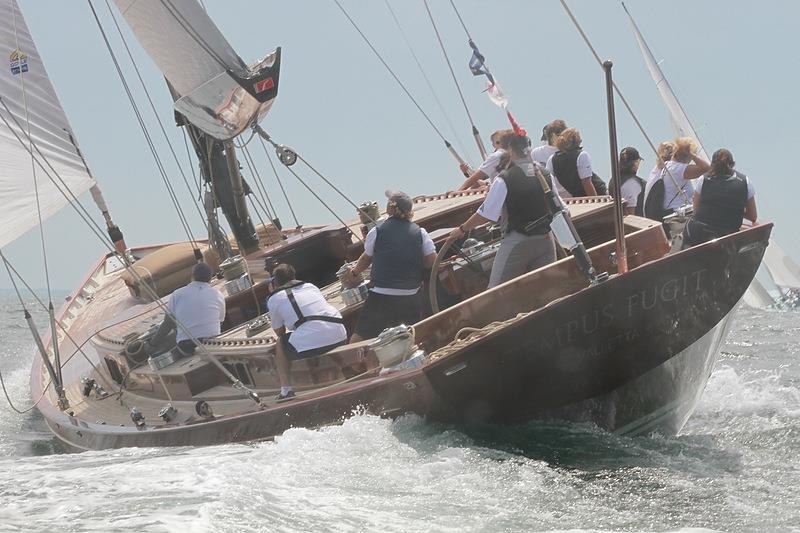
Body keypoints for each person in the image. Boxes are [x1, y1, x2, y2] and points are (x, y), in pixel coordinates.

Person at [450, 133, 557, 288]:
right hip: (546, 240)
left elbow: (485, 215)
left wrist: (461, 229)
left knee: (496, 292)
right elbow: (560, 208)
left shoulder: (504, 179)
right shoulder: (545, 173)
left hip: (518, 241)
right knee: (548, 289)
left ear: (511, 151)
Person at [345, 191, 437, 342]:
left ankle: (361, 364)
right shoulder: (420, 232)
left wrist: (354, 272)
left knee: (358, 340)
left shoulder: (377, 231)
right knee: (408, 337)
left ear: (391, 209)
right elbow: (431, 260)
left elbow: (366, 259)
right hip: (410, 295)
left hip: (382, 296)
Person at [267, 263, 348, 400]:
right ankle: (346, 368)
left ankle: (286, 390)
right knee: (321, 332)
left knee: (281, 343)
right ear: (293, 276)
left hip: (313, 341)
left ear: (275, 283)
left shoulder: (274, 299)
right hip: (340, 332)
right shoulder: (311, 287)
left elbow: (279, 332)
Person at [682, 148, 757, 248]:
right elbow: (753, 217)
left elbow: (696, 212)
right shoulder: (745, 182)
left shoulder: (703, 180)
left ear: (712, 164)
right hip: (727, 236)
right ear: (733, 164)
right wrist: (734, 210)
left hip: (700, 235)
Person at [150, 261, 226, 357]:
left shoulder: (177, 294)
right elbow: (220, 321)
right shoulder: (218, 294)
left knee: (175, 337)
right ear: (210, 278)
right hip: (213, 342)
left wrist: (152, 344)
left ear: (192, 276)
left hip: (187, 346)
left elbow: (168, 323)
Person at [643, 137, 710, 220]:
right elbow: (706, 168)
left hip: (666, 213)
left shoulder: (667, 166)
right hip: (677, 216)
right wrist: (692, 155)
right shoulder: (678, 169)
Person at [546, 127, 601, 197]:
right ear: (578, 141)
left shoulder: (552, 159)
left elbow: (547, 180)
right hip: (597, 194)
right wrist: (595, 201)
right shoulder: (582, 155)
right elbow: (586, 182)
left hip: (579, 197)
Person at [609, 147, 646, 216]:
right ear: (635, 163)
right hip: (639, 225)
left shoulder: (614, 180)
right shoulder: (631, 183)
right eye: (638, 161)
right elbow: (630, 217)